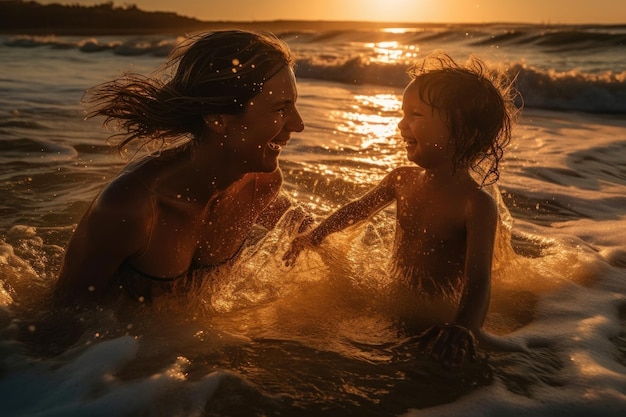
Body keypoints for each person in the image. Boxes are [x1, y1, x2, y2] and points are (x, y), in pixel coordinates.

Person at [283, 52, 518, 367]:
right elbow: (357, 210)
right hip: (396, 301)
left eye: (416, 115)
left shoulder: (475, 204)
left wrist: (463, 327)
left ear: (464, 132)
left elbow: (478, 282)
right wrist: (318, 233)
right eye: (403, 113)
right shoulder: (401, 179)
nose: (401, 124)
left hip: (437, 318)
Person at [55, 30, 306, 304]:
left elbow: (302, 233)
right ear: (218, 119)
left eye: (293, 105)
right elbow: (61, 317)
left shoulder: (261, 184)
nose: (298, 125)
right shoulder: (132, 207)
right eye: (281, 109)